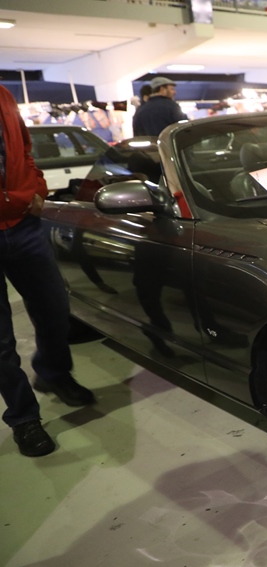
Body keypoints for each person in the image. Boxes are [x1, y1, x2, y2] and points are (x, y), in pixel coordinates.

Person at [0, 84, 95, 458]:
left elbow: (23, 149)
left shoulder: (4, 95)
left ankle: (53, 374)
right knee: (1, 342)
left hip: (23, 224)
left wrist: (36, 186)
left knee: (55, 309)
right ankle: (23, 417)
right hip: (17, 215)